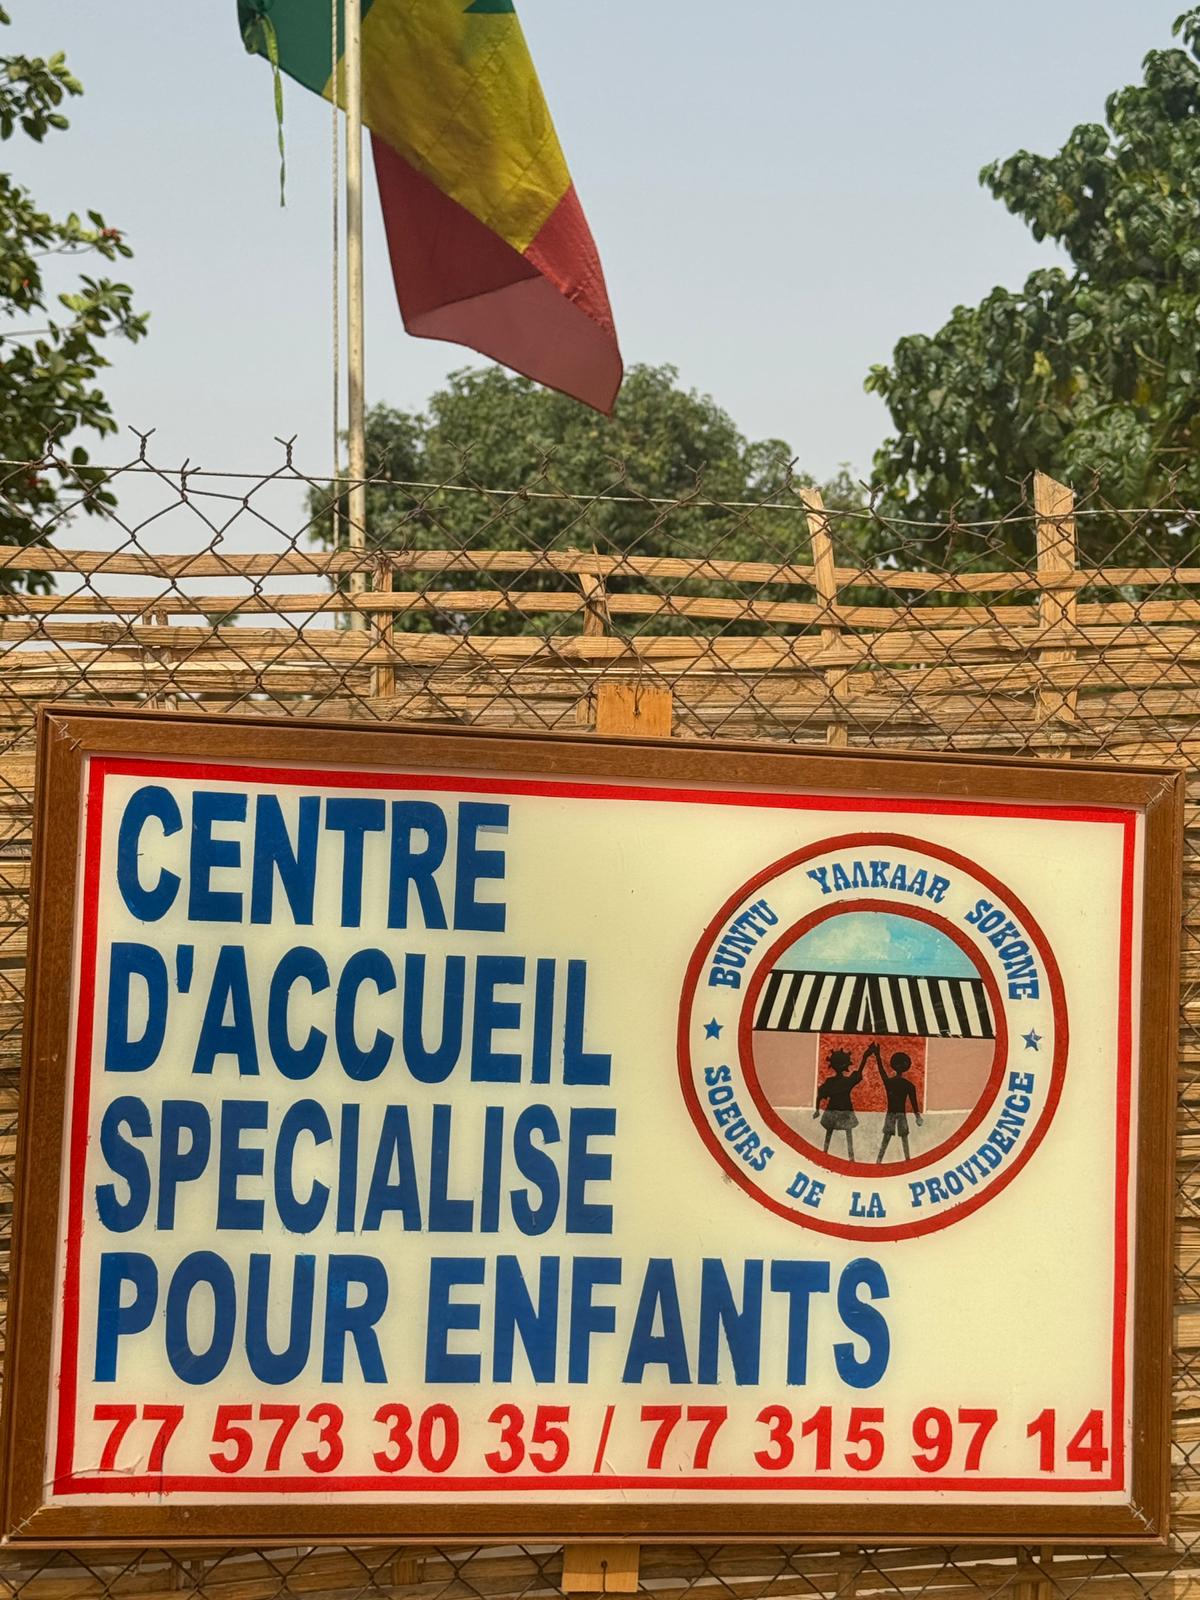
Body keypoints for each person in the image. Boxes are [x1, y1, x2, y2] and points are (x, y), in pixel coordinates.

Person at [812, 1044, 871, 1159]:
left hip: (833, 1111)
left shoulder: (830, 1082)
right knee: (848, 1134)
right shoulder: (847, 1082)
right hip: (845, 1111)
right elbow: (858, 1073)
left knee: (830, 1133)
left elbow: (820, 1095)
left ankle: (825, 1153)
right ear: (846, 1065)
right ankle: (850, 1156)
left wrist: (817, 1110)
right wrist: (865, 1057)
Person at [873, 1042, 923, 1162]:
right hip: (900, 1114)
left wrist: (877, 1056)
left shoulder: (890, 1082)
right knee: (903, 1137)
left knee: (887, 1137)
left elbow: (882, 1071)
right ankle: (907, 1160)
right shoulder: (908, 1085)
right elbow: (914, 1103)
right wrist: (917, 1117)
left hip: (892, 1113)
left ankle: (879, 1160)